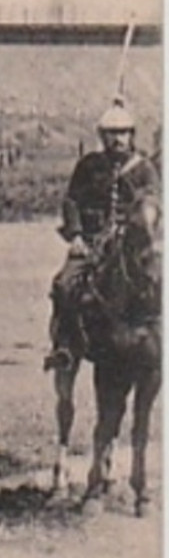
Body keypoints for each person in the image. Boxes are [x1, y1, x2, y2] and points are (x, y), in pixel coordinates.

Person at [45, 96, 161, 370]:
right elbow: (71, 201)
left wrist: (147, 221)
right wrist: (75, 236)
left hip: (133, 243)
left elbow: (155, 200)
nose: (118, 139)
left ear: (132, 135)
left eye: (123, 133)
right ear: (102, 136)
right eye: (111, 133)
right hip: (92, 242)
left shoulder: (145, 169)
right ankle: (65, 347)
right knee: (64, 284)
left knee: (157, 281)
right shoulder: (90, 166)